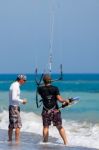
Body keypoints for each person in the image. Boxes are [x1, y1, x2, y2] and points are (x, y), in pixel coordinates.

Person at [38, 74, 70, 145]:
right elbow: (59, 99)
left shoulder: (40, 89)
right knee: (59, 126)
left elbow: (42, 94)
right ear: (51, 81)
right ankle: (66, 143)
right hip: (55, 110)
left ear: (43, 81)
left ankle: (45, 143)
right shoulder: (55, 88)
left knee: (46, 127)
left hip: (45, 110)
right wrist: (65, 100)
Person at [8, 74, 27, 143]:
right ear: (20, 79)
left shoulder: (13, 85)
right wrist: (22, 101)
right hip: (14, 107)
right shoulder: (15, 86)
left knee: (11, 125)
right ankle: (17, 142)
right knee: (18, 125)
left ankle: (10, 140)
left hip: (12, 106)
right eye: (24, 80)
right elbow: (14, 98)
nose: (25, 82)